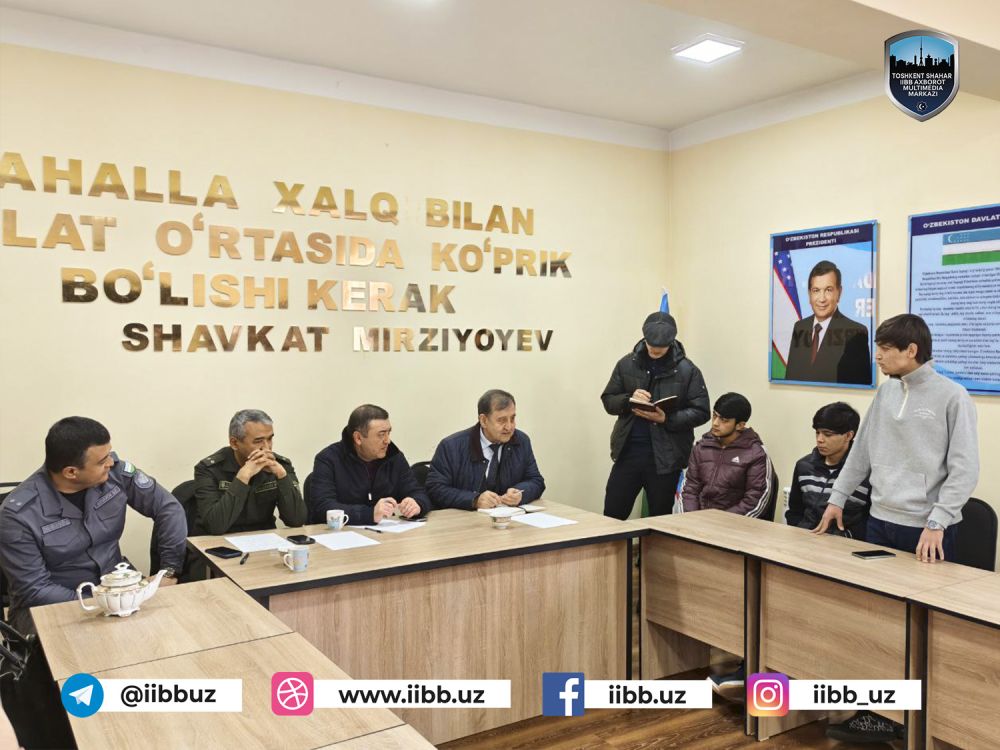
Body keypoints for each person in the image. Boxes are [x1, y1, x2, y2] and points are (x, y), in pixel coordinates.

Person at [814, 314, 978, 744]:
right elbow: (862, 454)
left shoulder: (953, 397)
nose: (879, 356)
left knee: (923, 632)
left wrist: (938, 521)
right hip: (880, 523)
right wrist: (837, 499)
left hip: (927, 533)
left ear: (912, 350)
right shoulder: (886, 392)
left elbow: (964, 469)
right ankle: (879, 713)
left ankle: (922, 720)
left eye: (886, 348)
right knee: (880, 625)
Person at [0, 417, 185, 748]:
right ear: (71, 472)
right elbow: (33, 588)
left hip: (118, 592)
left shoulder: (116, 474)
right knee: (80, 706)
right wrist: (103, 602)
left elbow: (168, 508)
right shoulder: (17, 513)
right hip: (52, 609)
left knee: (167, 652)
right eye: (102, 460)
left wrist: (168, 571)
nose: (111, 463)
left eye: (110, 454)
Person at [601, 312, 710, 520]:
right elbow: (608, 399)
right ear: (644, 339)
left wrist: (666, 419)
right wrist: (628, 399)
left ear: (672, 342)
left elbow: (702, 412)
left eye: (661, 349)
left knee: (660, 521)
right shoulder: (626, 363)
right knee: (612, 515)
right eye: (651, 347)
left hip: (666, 459)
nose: (655, 351)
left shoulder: (688, 370)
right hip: (627, 452)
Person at [308, 404, 430, 525]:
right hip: (340, 534)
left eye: (388, 433)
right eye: (381, 434)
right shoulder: (328, 460)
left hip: (387, 533)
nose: (387, 440)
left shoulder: (395, 457)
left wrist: (417, 504)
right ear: (358, 438)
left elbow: (418, 492)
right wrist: (369, 514)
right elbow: (323, 507)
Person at [427, 389, 545, 510]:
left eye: (512, 419)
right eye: (501, 420)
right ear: (483, 420)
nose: (509, 427)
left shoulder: (521, 441)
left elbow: (536, 481)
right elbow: (435, 489)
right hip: (464, 519)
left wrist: (520, 493)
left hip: (508, 517)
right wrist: (474, 500)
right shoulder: (451, 446)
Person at [193, 409, 306, 535]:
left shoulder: (281, 465)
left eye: (269, 439)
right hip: (219, 541)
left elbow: (297, 520)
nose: (267, 447)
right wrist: (243, 477)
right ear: (234, 443)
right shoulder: (208, 469)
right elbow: (215, 526)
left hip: (263, 539)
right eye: (258, 441)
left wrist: (282, 476)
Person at [785, 402, 871, 539]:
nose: (820, 440)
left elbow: (868, 520)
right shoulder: (804, 466)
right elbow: (795, 511)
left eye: (828, 434)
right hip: (804, 539)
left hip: (844, 544)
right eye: (817, 433)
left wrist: (847, 536)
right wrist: (800, 531)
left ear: (849, 436)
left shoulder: (864, 473)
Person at [679, 393, 774, 517]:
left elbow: (755, 500)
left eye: (724, 420)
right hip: (699, 520)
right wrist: (692, 518)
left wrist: (720, 522)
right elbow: (690, 489)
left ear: (740, 425)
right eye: (714, 416)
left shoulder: (756, 454)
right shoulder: (701, 447)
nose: (715, 423)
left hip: (733, 523)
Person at [785, 260, 871, 385]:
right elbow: (790, 378)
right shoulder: (799, 327)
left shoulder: (856, 332)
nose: (822, 299)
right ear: (809, 294)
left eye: (828, 290)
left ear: (839, 292)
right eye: (816, 290)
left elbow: (859, 385)